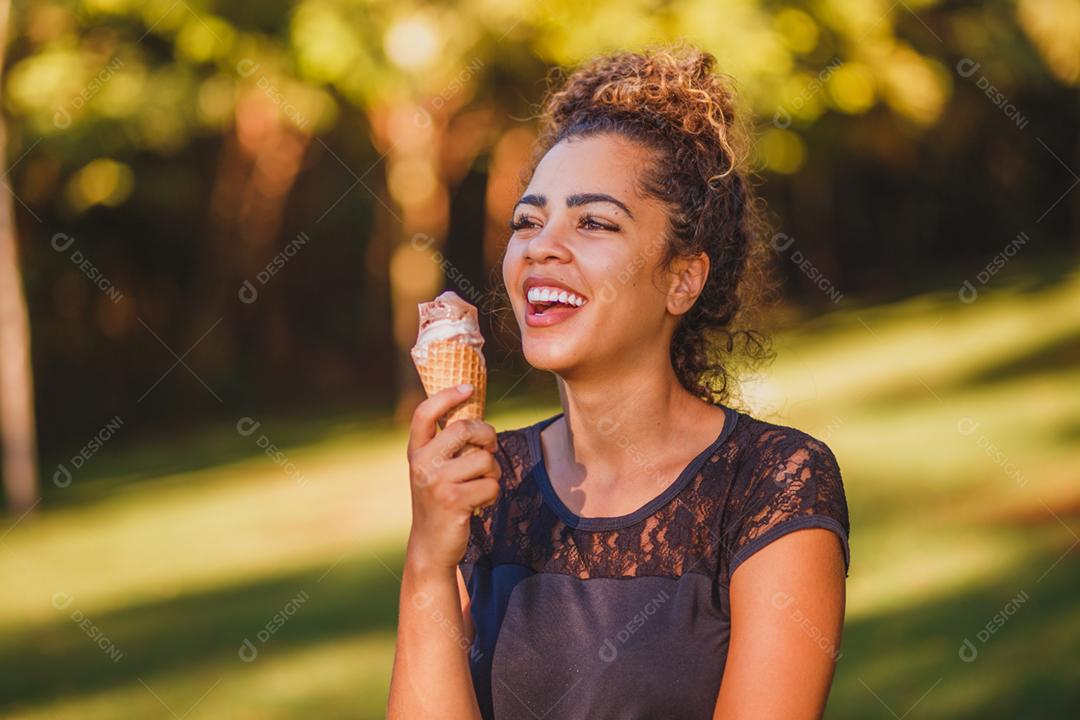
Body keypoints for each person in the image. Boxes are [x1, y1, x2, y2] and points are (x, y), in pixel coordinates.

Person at [388, 44, 851, 720]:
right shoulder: (489, 485)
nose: (542, 244)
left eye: (594, 222)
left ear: (682, 278)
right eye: (528, 220)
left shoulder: (772, 482)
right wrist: (427, 560)